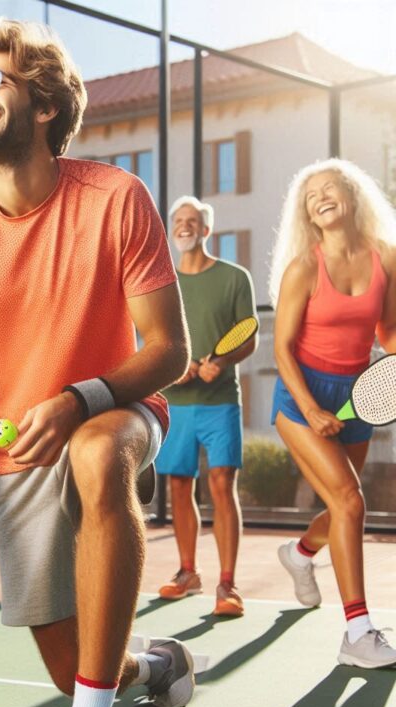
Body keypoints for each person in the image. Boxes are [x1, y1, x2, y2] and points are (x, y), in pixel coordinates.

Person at [0, 20, 195, 707]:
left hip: (118, 406)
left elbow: (171, 351)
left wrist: (79, 399)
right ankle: (149, 667)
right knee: (73, 661)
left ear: (44, 108)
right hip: (18, 443)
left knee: (99, 456)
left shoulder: (116, 199)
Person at [270, 158, 396, 668]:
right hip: (302, 397)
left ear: (352, 195)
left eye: (329, 189)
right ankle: (357, 632)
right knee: (350, 500)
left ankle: (299, 554)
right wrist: (311, 408)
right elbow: (281, 350)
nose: (320, 197)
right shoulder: (304, 267)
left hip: (358, 392)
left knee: (343, 505)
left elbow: (388, 333)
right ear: (308, 213)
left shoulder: (386, 258)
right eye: (310, 194)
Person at [155, 196, 258, 617]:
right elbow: (152, 337)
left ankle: (228, 585)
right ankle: (187, 573)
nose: (184, 226)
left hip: (220, 404)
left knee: (221, 485)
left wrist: (221, 362)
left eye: (192, 221)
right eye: (178, 220)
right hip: (175, 406)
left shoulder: (235, 279)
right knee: (179, 486)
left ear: (206, 230)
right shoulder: (160, 281)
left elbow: (247, 337)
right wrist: (171, 368)